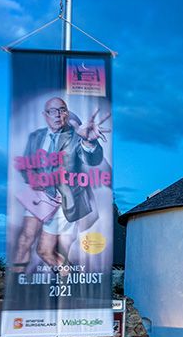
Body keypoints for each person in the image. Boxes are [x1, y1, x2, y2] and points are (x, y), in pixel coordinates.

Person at [11, 97, 110, 275]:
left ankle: (69, 279)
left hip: (64, 200)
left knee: (45, 250)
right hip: (39, 196)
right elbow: (27, 165)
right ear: (45, 115)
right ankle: (15, 282)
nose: (58, 115)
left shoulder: (76, 140)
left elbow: (91, 158)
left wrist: (90, 142)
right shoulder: (36, 136)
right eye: (53, 111)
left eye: (62, 110)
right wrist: (35, 179)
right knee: (25, 239)